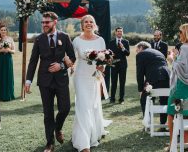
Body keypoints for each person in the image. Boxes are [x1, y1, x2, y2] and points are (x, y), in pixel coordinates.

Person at [25, 11, 76, 152]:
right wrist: (28, 80)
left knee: (65, 108)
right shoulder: (39, 39)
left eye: (47, 22)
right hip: (45, 81)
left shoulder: (64, 37)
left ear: (55, 22)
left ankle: (58, 128)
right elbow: (33, 61)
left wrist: (62, 65)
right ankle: (50, 143)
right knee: (48, 113)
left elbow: (72, 57)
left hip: (61, 79)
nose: (44, 24)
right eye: (42, 22)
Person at [71, 15, 112, 152]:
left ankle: (93, 132)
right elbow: (71, 57)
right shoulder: (76, 40)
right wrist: (69, 66)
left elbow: (105, 58)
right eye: (86, 22)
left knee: (93, 105)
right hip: (80, 76)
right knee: (83, 106)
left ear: (95, 25)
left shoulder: (100, 40)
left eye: (91, 22)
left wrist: (102, 67)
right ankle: (83, 143)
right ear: (82, 25)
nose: (88, 24)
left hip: (94, 77)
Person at [166, 24, 188, 150]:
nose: (179, 34)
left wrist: (171, 58)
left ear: (186, 33)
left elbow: (179, 67)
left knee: (171, 112)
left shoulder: (185, 47)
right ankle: (185, 143)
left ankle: (172, 143)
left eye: (180, 32)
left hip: (180, 84)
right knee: (187, 113)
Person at [136, 41, 170, 127]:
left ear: (141, 47)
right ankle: (163, 123)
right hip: (167, 76)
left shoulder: (141, 54)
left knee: (144, 99)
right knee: (164, 99)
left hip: (154, 76)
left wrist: (140, 89)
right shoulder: (158, 52)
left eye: (137, 50)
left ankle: (148, 123)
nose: (137, 52)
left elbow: (140, 73)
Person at [108, 27, 130, 104]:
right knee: (113, 82)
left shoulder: (126, 42)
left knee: (122, 82)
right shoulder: (111, 42)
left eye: (121, 31)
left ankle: (121, 99)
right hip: (114, 64)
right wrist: (110, 56)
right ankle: (112, 98)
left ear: (122, 33)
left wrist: (123, 48)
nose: (119, 33)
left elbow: (128, 54)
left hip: (123, 65)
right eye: (118, 31)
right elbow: (108, 53)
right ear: (115, 32)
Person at [0, 25, 15, 101]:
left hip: (8, 59)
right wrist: (1, 50)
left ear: (6, 31)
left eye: (4, 30)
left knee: (8, 75)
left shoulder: (10, 39)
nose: (3, 31)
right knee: (0, 76)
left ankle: (8, 95)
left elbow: (14, 51)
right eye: (1, 30)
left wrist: (9, 50)